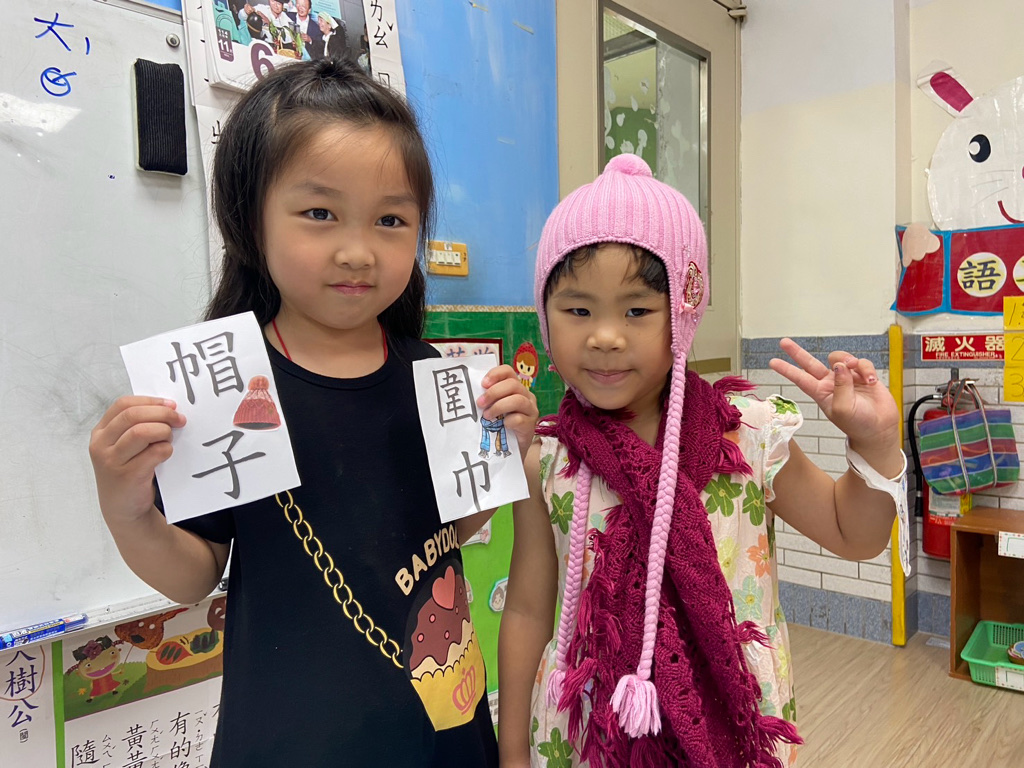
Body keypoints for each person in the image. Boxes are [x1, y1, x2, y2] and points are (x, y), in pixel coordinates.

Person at [89, 58, 538, 767]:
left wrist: (503, 452)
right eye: (320, 213)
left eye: (391, 220)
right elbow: (194, 575)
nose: (357, 251)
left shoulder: (432, 373)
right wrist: (127, 511)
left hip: (442, 726)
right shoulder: (225, 386)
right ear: (250, 219)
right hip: (293, 740)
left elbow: (446, 532)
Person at [498, 154, 906, 767]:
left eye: (637, 311)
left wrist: (875, 443)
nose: (604, 336)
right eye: (578, 310)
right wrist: (510, 755)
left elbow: (856, 534)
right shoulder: (549, 459)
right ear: (545, 315)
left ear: (683, 316)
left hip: (730, 722)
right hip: (584, 734)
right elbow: (529, 610)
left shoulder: (746, 437)